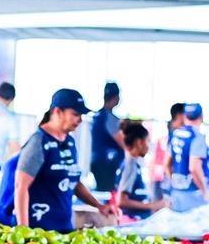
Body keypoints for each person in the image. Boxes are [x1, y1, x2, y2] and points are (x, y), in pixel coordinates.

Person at [11, 88, 116, 231]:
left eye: (81, 115)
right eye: (75, 114)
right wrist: (23, 230)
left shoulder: (70, 143)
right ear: (57, 112)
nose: (79, 120)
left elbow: (74, 183)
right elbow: (20, 186)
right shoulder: (39, 142)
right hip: (38, 233)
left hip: (64, 229)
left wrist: (99, 206)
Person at [116, 121, 168, 219]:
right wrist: (152, 205)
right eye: (148, 141)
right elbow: (121, 201)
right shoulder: (130, 165)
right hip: (133, 219)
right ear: (139, 142)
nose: (149, 146)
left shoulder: (131, 163)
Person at [166, 102, 207, 212]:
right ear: (201, 116)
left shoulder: (176, 134)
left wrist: (175, 182)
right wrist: (205, 191)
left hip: (177, 192)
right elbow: (194, 168)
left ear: (184, 116)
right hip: (194, 194)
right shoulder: (197, 137)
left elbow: (166, 164)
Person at [89, 82, 125, 192]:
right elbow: (122, 142)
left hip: (97, 161)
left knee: (103, 193)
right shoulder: (109, 118)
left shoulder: (97, 116)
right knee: (108, 196)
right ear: (116, 98)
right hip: (108, 164)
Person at [152, 103, 183, 200]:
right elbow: (165, 163)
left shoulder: (175, 134)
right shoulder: (175, 135)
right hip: (166, 182)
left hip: (165, 181)